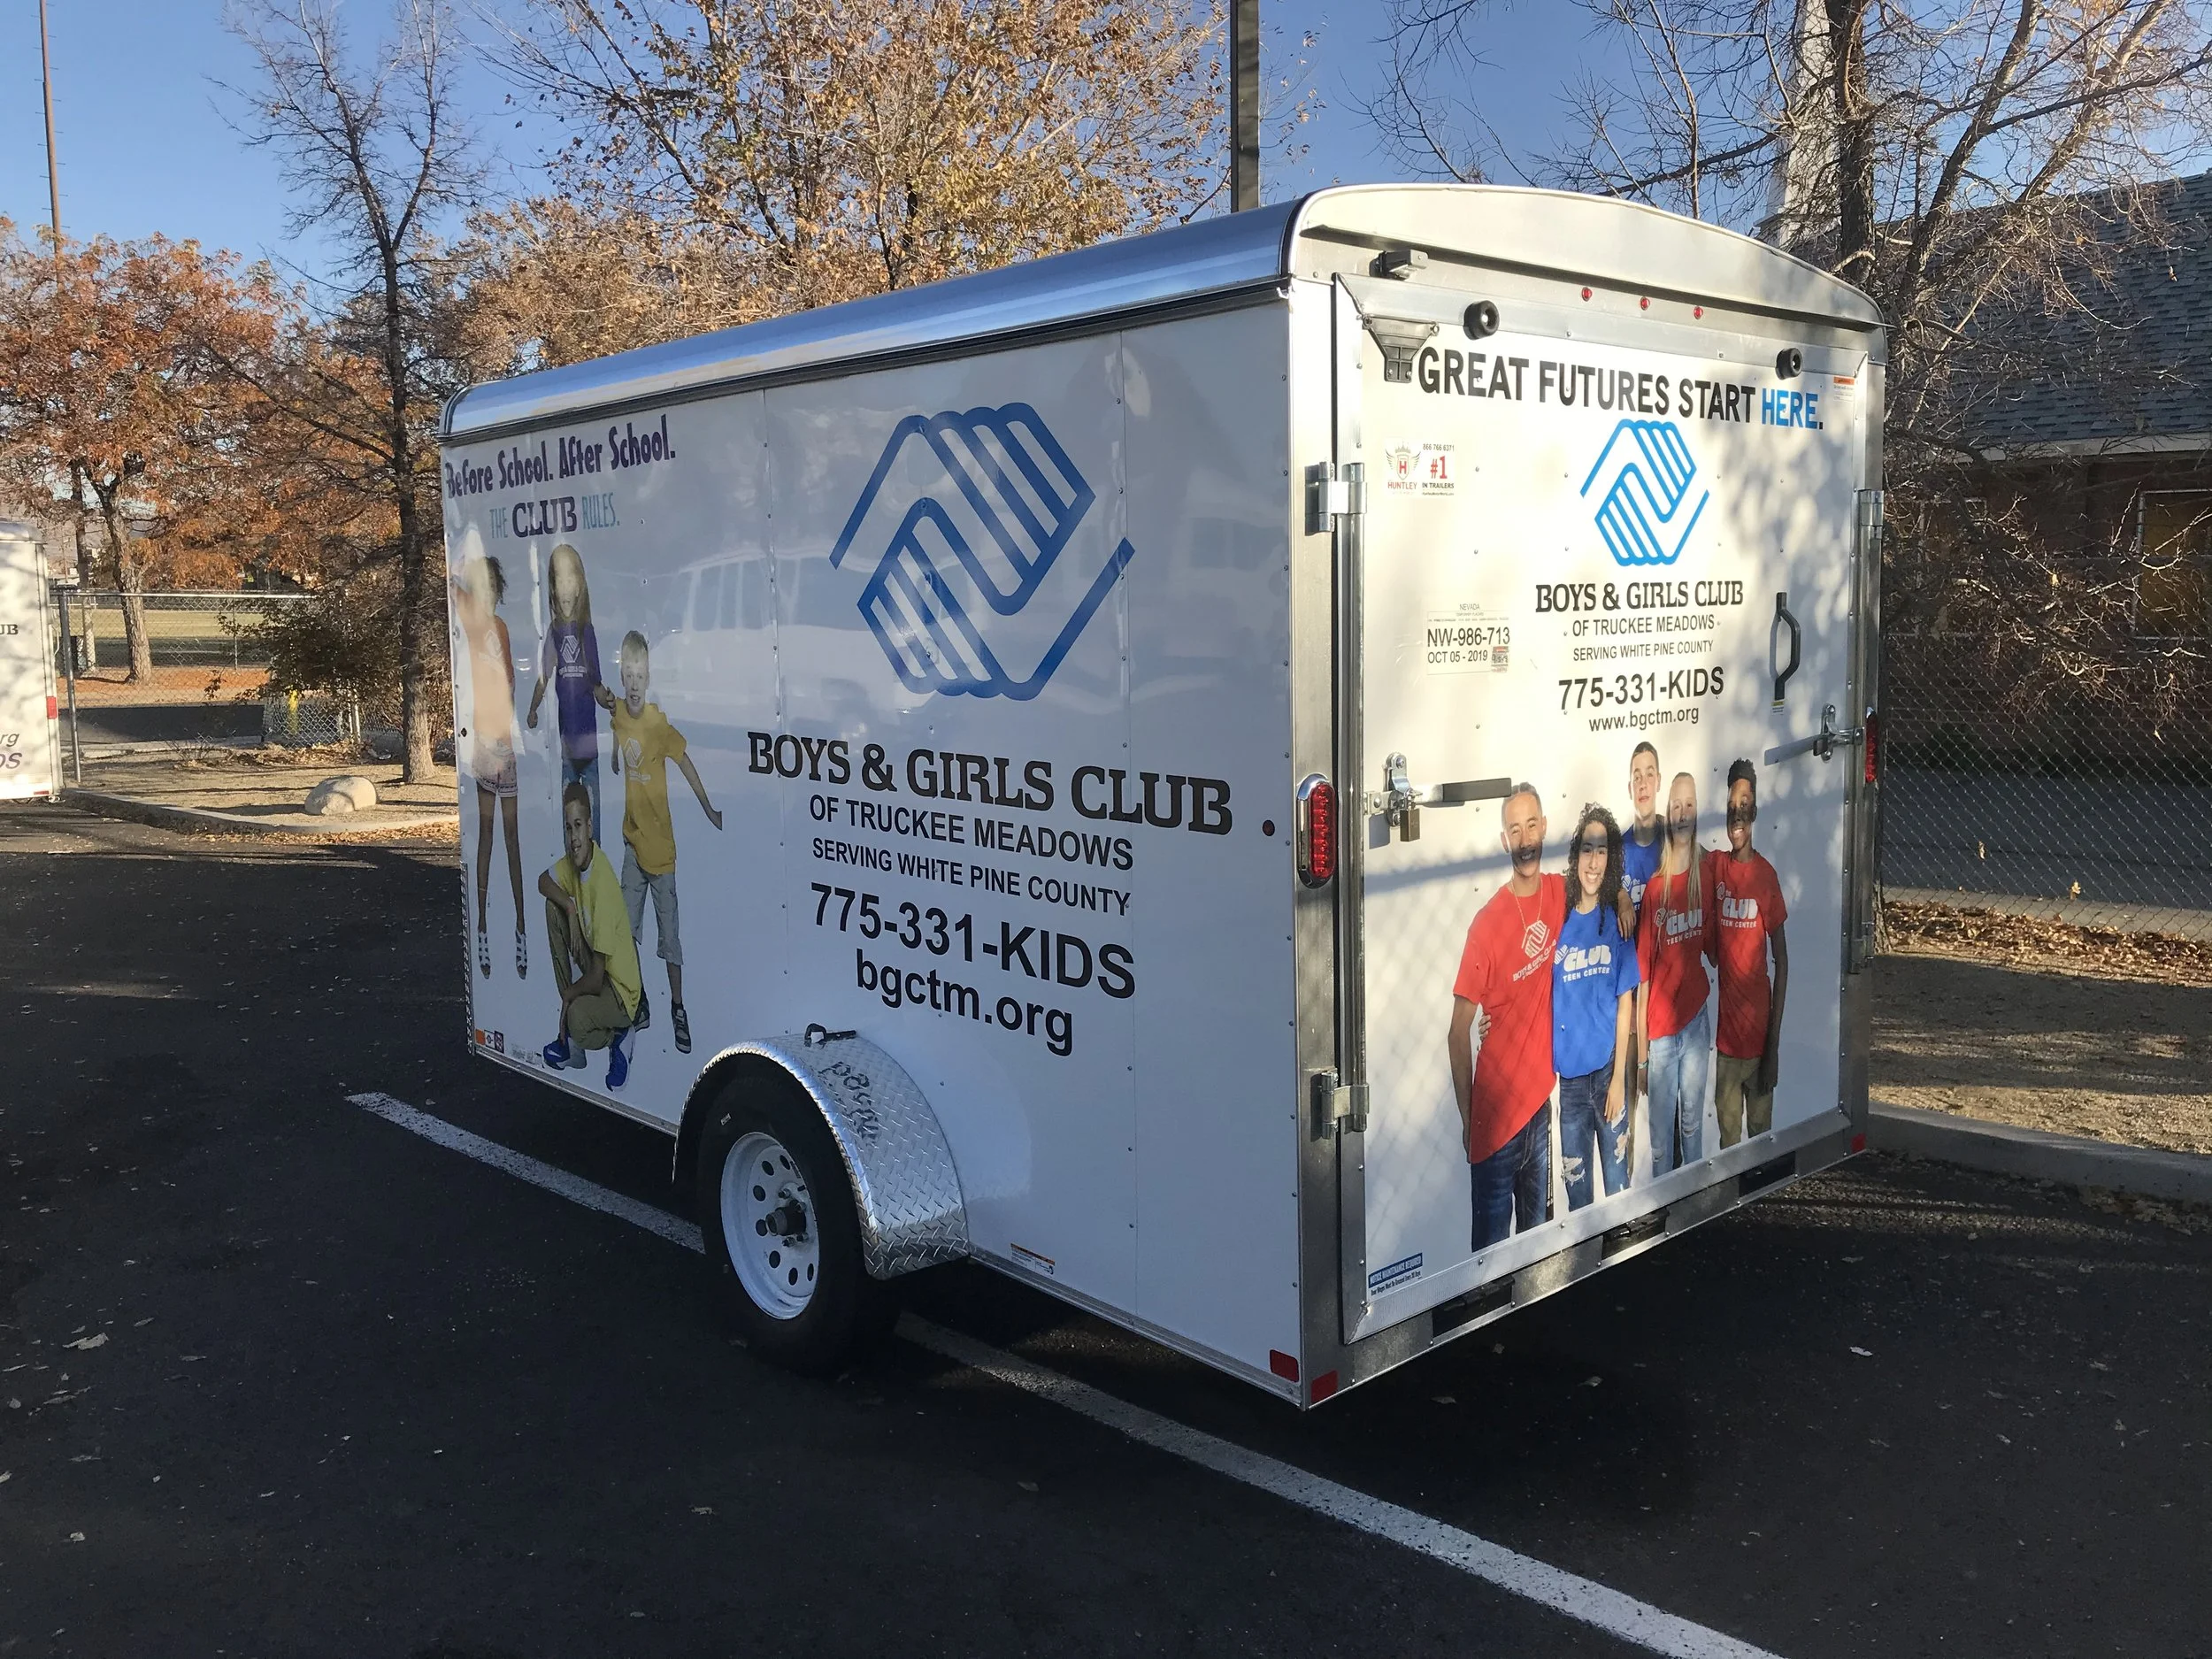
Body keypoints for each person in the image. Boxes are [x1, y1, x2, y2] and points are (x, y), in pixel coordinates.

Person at [1447, 783, 1567, 1252]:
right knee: (1489, 1267)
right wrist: (1467, 1116)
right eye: (1515, 829)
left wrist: (1619, 899)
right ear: (1504, 841)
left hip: (1540, 1107)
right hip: (1494, 1125)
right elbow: (1457, 1034)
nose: (1525, 838)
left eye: (1532, 825)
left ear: (1544, 828)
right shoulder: (1488, 924)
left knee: (1538, 1250)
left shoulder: (1559, 892)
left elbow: (1602, 886)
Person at [597, 631, 723, 1054]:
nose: (633, 683)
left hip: (662, 854)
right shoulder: (619, 712)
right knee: (625, 933)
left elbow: (685, 763)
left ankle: (678, 1006)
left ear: (649, 678)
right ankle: (640, 1001)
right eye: (628, 675)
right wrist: (615, 757)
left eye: (640, 676)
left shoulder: (657, 723)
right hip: (633, 846)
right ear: (623, 674)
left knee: (670, 940)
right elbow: (613, 718)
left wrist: (708, 809)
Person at [1553, 804, 1640, 1210]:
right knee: (1579, 1204)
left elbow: (1626, 1004)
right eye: (1587, 850)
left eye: (1602, 850)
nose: (1594, 860)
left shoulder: (1616, 923)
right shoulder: (1559, 919)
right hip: (1570, 1085)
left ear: (1611, 858)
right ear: (1576, 856)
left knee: (1618, 1192)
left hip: (1609, 1077)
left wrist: (1621, 1079)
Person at [1706, 760, 1790, 1146]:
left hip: (1759, 1048)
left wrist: (1772, 1048)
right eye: (1730, 804)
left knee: (1759, 1145)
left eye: (1745, 802)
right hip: (1727, 1048)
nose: (1737, 812)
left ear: (1754, 811)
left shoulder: (1766, 877)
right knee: (1728, 1147)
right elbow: (1682, 843)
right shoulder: (1717, 867)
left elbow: (1783, 964)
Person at [538, 782, 642, 1090]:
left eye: (578, 827)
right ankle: (573, 1047)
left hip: (620, 991)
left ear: (591, 827)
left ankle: (620, 1036)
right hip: (600, 970)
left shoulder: (602, 885)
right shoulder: (577, 861)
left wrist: (569, 998)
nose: (573, 838)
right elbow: (544, 881)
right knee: (552, 908)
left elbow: (596, 979)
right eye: (568, 828)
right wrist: (569, 907)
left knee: (579, 1018)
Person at [1636, 772, 1715, 1176]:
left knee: (1691, 1125)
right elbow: (1644, 979)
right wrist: (1643, 1059)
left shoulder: (1707, 874)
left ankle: (1693, 1216)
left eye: (1689, 805)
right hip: (1663, 1036)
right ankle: (1663, 1225)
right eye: (1676, 806)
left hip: (1697, 1023)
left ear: (1696, 813)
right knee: (1662, 1145)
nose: (1682, 813)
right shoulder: (1655, 890)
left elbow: (1717, 952)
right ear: (1668, 816)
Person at [452, 554, 525, 979]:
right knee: (486, 837)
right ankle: (481, 927)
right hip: (482, 741)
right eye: (485, 588)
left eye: (494, 587)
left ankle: (519, 927)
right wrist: (458, 567)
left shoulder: (501, 629)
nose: (489, 595)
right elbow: (453, 590)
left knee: (513, 839)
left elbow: (510, 681)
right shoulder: (475, 623)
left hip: (505, 743)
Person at [526, 542, 607, 848]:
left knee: (593, 818)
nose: (565, 589)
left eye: (571, 580)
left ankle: (595, 870)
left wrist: (610, 702)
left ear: (580, 586)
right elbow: (543, 676)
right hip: (567, 747)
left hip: (590, 745)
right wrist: (533, 708)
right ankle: (573, 879)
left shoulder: (587, 631)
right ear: (552, 589)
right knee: (569, 820)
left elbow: (596, 682)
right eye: (559, 581)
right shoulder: (555, 634)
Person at [1622, 741, 1664, 918]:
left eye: (1650, 775)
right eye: (1637, 777)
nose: (1643, 784)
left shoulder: (1676, 844)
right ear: (1630, 789)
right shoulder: (1615, 852)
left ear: (1659, 782)